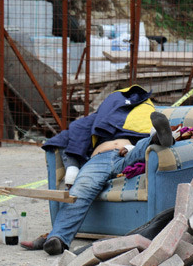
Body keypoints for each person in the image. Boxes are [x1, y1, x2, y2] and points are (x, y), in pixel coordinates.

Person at [22, 86, 174, 255]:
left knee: (142, 147)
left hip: (129, 152)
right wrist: (72, 166)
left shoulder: (139, 119)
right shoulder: (95, 122)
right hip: (100, 159)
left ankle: (158, 137)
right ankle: (57, 239)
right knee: (81, 189)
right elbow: (70, 138)